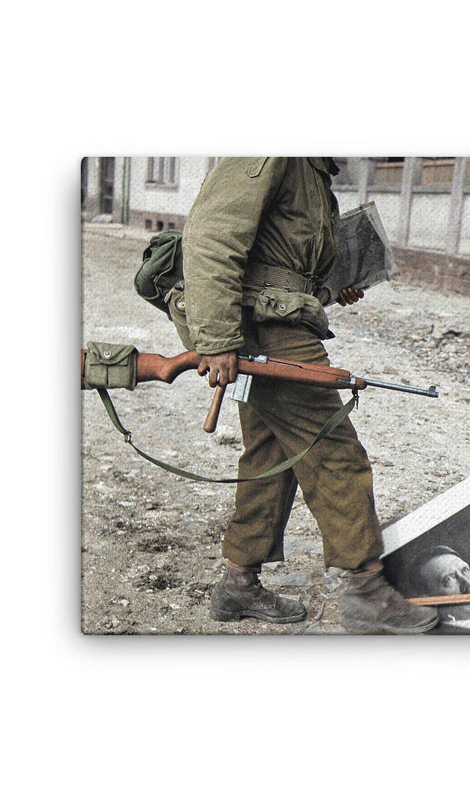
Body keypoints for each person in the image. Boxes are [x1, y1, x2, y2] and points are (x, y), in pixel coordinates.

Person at [180, 157, 438, 634]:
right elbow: (211, 236)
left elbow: (280, 254)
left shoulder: (311, 167)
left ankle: (237, 581)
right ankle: (368, 592)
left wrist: (329, 285)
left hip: (278, 318)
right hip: (264, 329)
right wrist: (215, 340)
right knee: (334, 451)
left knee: (271, 453)